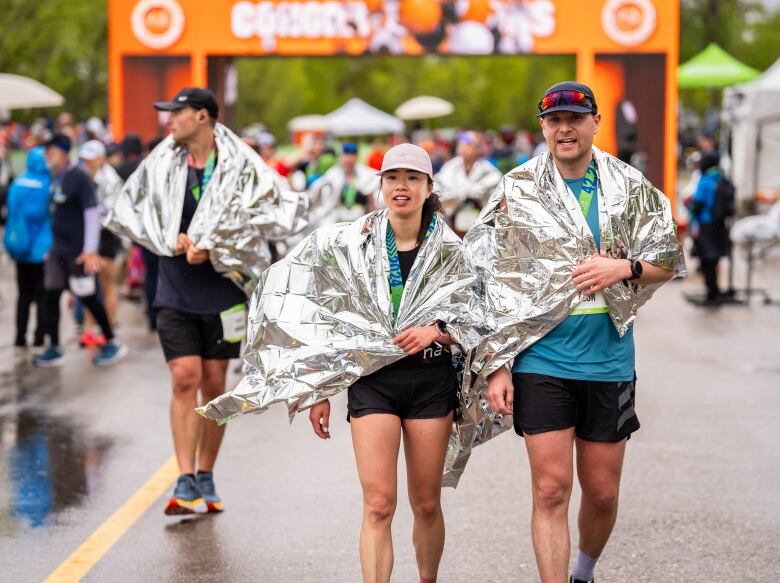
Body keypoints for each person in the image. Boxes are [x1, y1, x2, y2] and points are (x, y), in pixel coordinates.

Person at [198, 143, 481, 583]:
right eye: (392, 178)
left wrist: (436, 330)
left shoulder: (450, 249)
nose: (400, 187)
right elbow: (327, 319)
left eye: (411, 178)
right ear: (380, 186)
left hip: (429, 379)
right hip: (372, 381)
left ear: (429, 188)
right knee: (378, 504)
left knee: (425, 503)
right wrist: (320, 388)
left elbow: (476, 312)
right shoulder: (355, 242)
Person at [481, 81, 682, 583]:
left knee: (602, 492)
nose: (564, 128)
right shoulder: (516, 189)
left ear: (595, 122)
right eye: (554, 120)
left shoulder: (629, 185)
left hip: (608, 360)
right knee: (550, 490)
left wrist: (623, 269)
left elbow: (668, 259)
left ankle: (584, 571)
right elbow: (486, 277)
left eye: (575, 118)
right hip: (541, 360)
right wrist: (497, 362)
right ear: (543, 128)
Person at [106, 87, 306, 516]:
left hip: (224, 292)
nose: (168, 121)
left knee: (214, 386)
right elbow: (133, 210)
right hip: (175, 286)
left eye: (175, 113)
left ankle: (206, 474)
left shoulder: (242, 166)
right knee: (184, 377)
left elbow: (270, 218)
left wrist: (217, 245)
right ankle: (184, 476)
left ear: (201, 117)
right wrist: (168, 237)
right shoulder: (162, 163)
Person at [33, 134, 127, 367]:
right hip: (58, 251)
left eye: (51, 152)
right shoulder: (56, 177)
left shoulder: (79, 178)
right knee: (51, 295)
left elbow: (92, 213)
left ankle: (111, 341)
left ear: (64, 153)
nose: (47, 157)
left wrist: (90, 250)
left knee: (88, 296)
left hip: (78, 252)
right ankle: (54, 347)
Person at [3, 146, 51, 348]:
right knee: (41, 295)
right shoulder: (47, 185)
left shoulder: (17, 183)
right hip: (40, 250)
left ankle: (19, 337)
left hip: (18, 248)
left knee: (23, 295)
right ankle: (40, 337)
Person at [78, 140, 125, 343]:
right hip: (88, 235)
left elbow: (111, 210)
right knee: (90, 286)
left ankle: (109, 328)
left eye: (91, 158)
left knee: (106, 284)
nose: (88, 162)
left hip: (106, 236)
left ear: (101, 158)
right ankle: (90, 329)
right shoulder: (84, 176)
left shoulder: (110, 178)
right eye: (85, 159)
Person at [687, 151, 732, 306]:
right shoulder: (720, 178)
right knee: (714, 259)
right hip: (718, 225)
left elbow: (697, 203)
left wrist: (691, 209)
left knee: (706, 259)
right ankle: (715, 291)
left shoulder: (704, 180)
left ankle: (711, 293)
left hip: (705, 225)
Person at [434, 130, 501, 232]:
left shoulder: (488, 170)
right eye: (461, 144)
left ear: (478, 148)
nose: (463, 147)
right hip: (453, 226)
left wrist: (470, 193)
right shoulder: (449, 168)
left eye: (468, 144)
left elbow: (494, 197)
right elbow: (439, 192)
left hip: (481, 227)